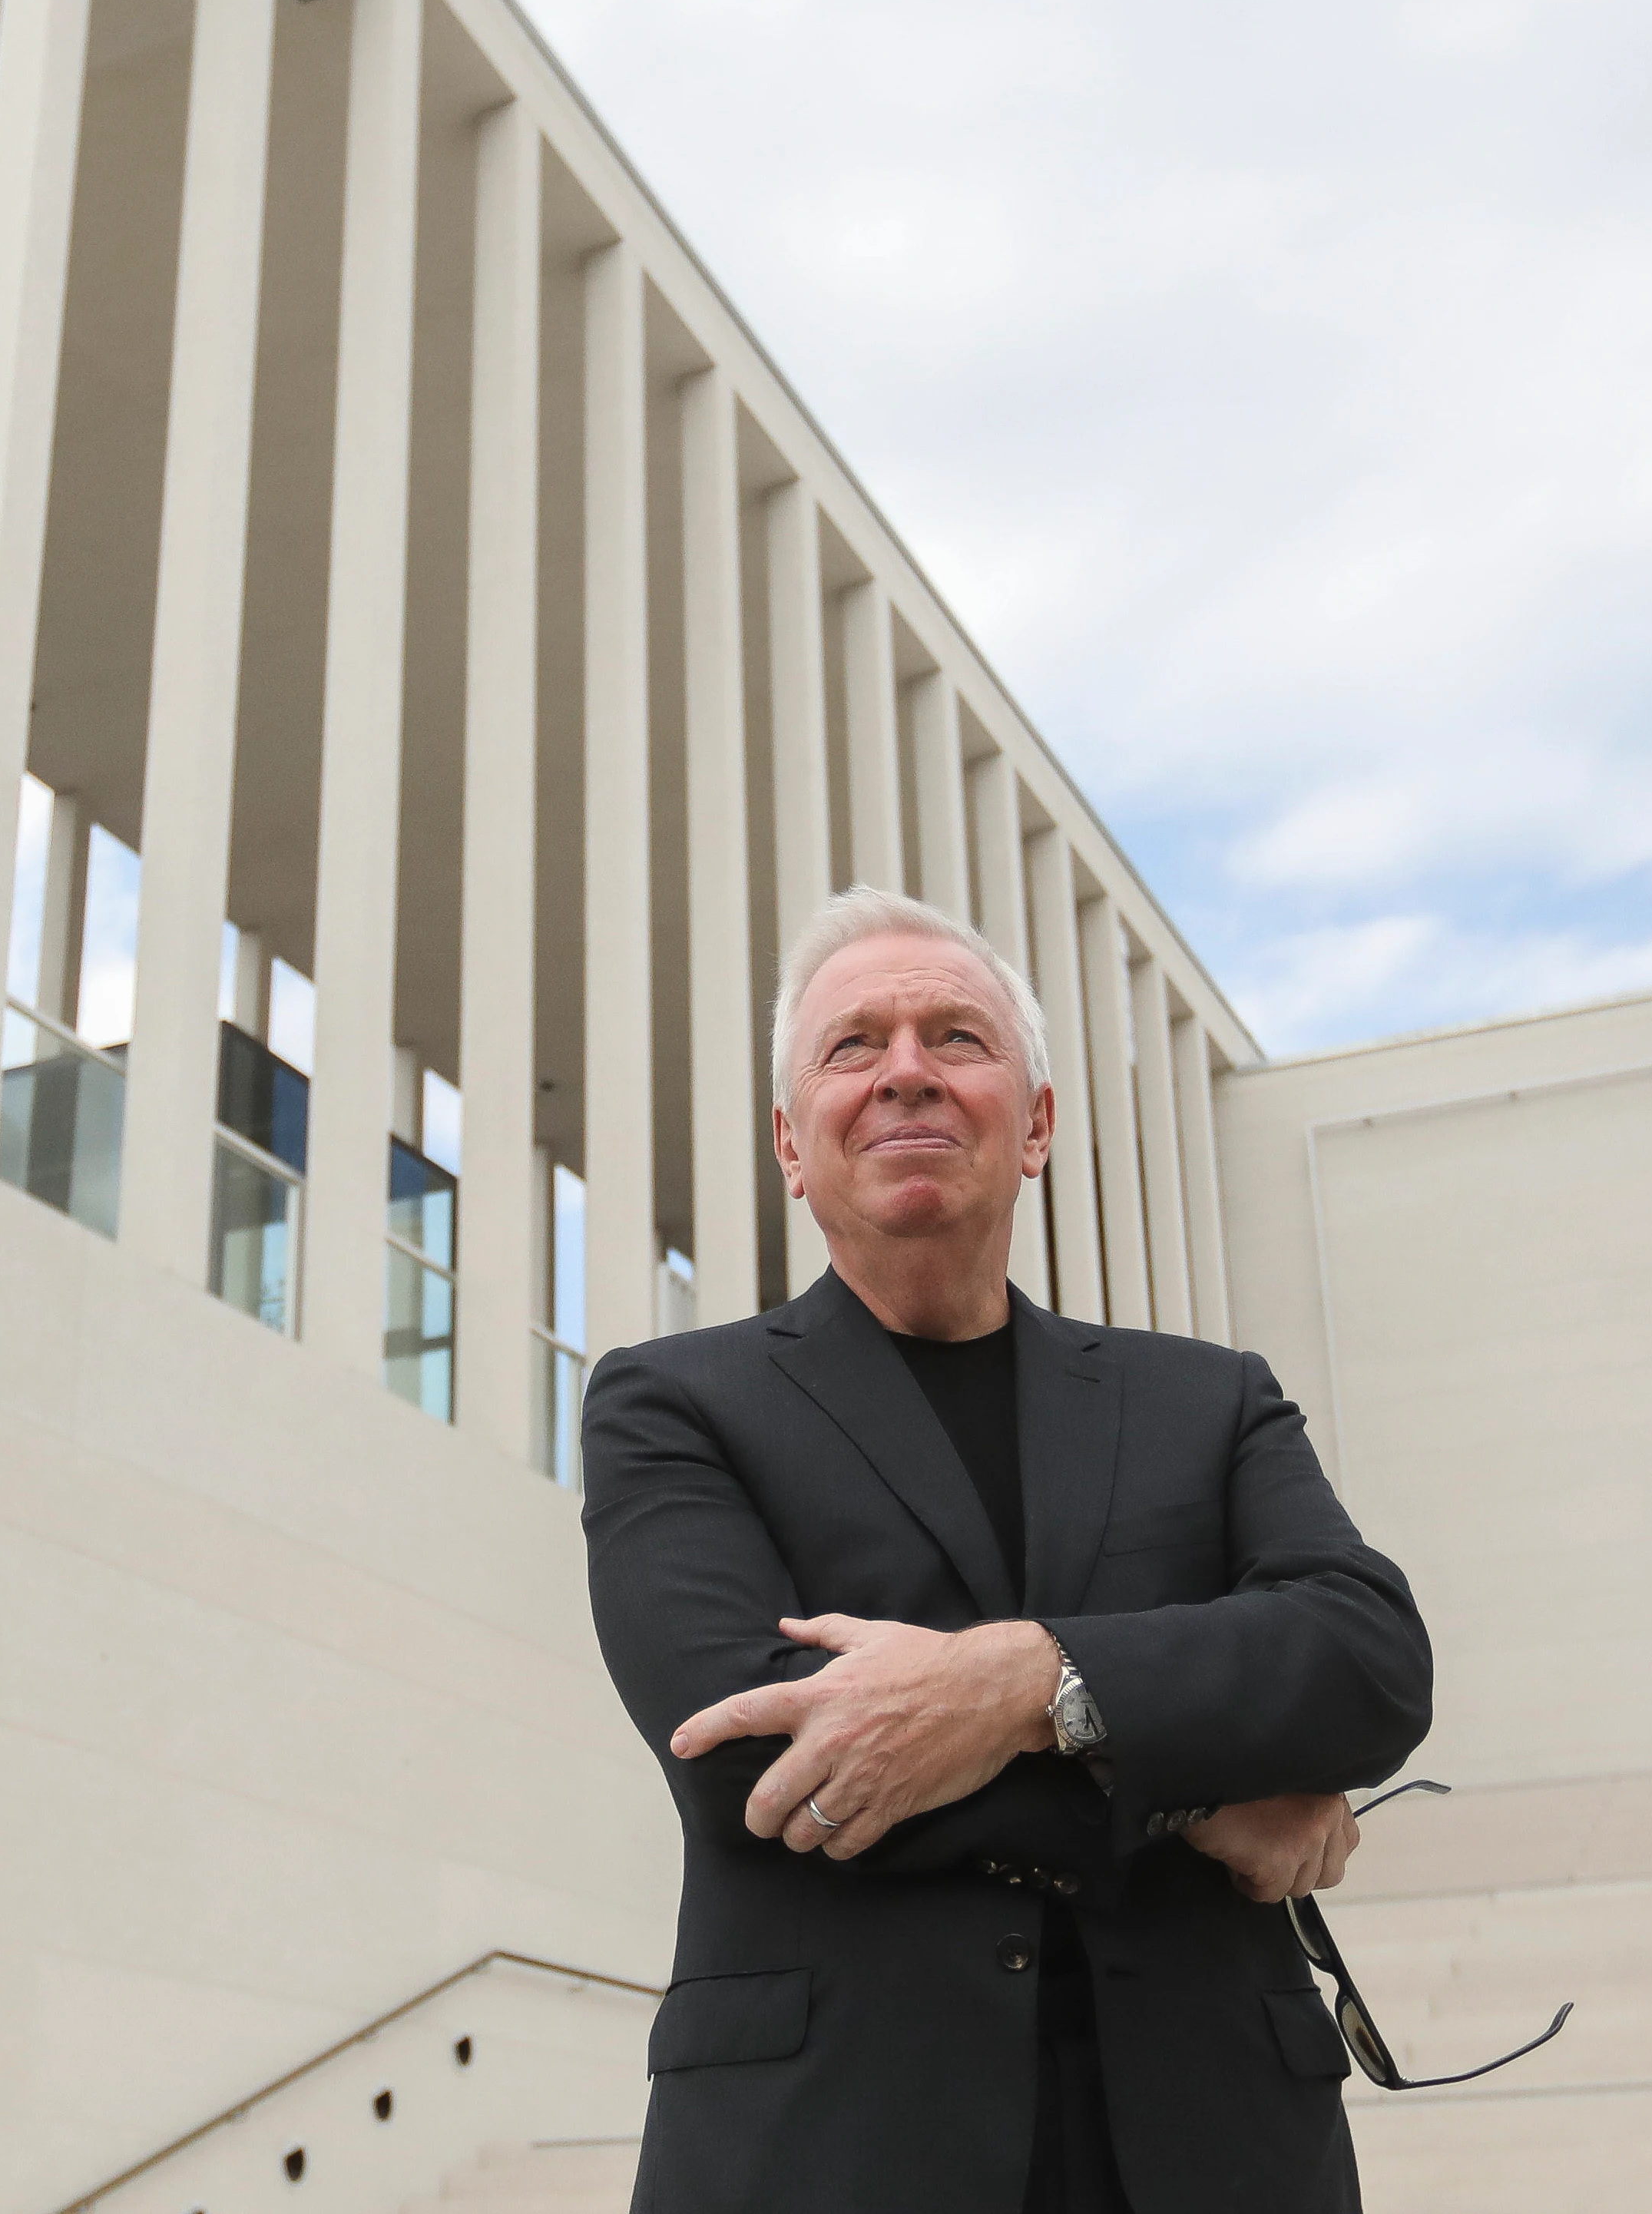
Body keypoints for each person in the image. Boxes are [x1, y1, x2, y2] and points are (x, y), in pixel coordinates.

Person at [580, 886, 1435, 2214]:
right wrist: (1203, 1794)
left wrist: (1027, 1683)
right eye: (852, 1045)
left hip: (1219, 2150)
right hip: (829, 2150)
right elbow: (751, 1749)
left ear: (1034, 1123)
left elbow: (1366, 1659)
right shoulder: (672, 1401)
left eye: (956, 1038)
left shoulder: (1205, 1400)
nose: (905, 1070)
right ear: (790, 1145)